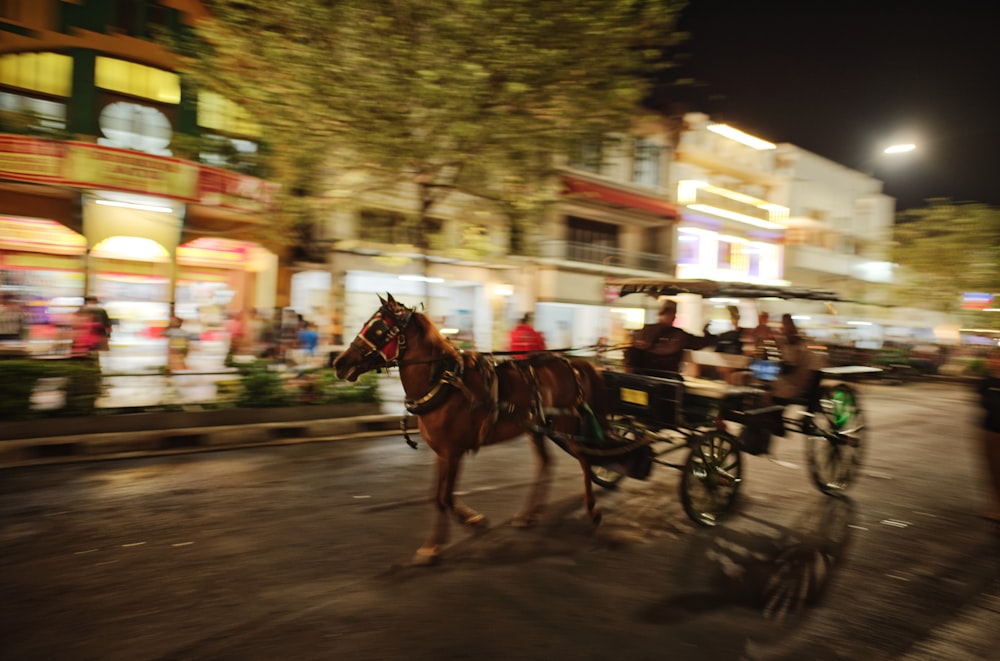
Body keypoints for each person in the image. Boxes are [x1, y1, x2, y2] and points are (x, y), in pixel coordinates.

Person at [625, 299, 715, 377]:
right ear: (668, 313)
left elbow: (631, 355)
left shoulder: (643, 331)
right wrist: (706, 332)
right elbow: (700, 343)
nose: (675, 317)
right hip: (666, 381)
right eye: (674, 313)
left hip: (641, 378)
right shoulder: (677, 334)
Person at [977, 349, 1000, 531]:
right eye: (993, 358)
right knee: (992, 471)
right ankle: (994, 507)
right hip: (988, 431)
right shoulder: (986, 381)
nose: (995, 361)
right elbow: (981, 402)